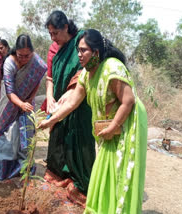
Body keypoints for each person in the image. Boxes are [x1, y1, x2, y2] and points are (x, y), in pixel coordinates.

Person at [39, 29, 148, 214]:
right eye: (78, 51)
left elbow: (128, 101)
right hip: (109, 128)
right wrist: (51, 121)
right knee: (104, 171)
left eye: (84, 50)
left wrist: (114, 126)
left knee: (120, 172)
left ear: (96, 52)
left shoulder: (112, 68)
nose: (79, 55)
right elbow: (72, 103)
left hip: (128, 123)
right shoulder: (86, 74)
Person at [43, 10, 95, 205]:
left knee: (78, 140)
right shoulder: (54, 48)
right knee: (59, 138)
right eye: (50, 34)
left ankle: (80, 184)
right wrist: (50, 97)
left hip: (79, 103)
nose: (53, 38)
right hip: (59, 102)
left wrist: (71, 91)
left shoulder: (80, 43)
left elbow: (86, 68)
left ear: (66, 27)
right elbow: (50, 77)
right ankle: (59, 175)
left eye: (56, 33)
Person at [0, 34, 47, 180]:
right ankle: (4, 170)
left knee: (26, 134)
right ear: (16, 51)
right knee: (9, 134)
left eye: (27, 56)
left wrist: (30, 99)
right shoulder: (9, 63)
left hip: (27, 103)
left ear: (32, 53)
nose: (24, 59)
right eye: (20, 55)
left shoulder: (37, 63)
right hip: (10, 103)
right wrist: (20, 103)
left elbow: (36, 82)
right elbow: (10, 91)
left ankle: (24, 170)